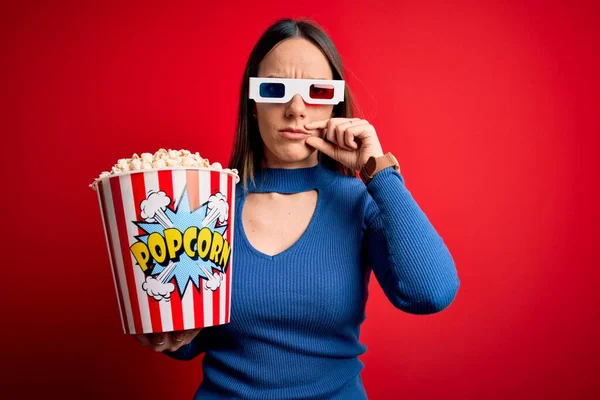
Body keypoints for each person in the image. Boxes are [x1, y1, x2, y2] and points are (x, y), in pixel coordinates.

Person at [133, 18, 460, 399]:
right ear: (252, 104)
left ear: (336, 103)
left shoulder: (360, 202)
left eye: (317, 91)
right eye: (275, 89)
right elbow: (190, 338)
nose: (296, 109)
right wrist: (166, 334)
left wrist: (378, 173)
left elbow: (431, 292)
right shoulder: (207, 205)